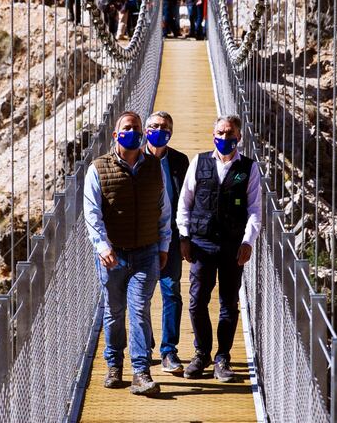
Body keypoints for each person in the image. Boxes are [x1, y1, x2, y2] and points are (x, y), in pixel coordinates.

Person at [84, 111, 172, 396]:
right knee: (113, 312)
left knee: (139, 309)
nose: (133, 132)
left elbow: (164, 210)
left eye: (136, 128)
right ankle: (114, 365)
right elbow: (92, 212)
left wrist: (163, 246)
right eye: (127, 128)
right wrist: (102, 246)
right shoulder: (98, 168)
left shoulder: (155, 167)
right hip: (113, 255)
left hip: (146, 252)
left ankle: (140, 372)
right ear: (115, 135)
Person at [177, 115, 261, 382]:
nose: (225, 138)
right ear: (212, 134)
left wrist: (248, 241)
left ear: (240, 136)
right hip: (201, 243)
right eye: (220, 133)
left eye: (230, 133)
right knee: (196, 301)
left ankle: (222, 358)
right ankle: (201, 354)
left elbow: (256, 209)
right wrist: (184, 236)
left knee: (229, 303)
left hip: (232, 245)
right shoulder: (199, 162)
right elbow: (185, 202)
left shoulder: (249, 168)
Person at [144, 111, 189, 373]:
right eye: (154, 126)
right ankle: (146, 342)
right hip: (142, 238)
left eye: (164, 127)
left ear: (171, 131)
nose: (159, 130)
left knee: (171, 291)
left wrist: (186, 238)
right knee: (143, 295)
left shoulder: (180, 161)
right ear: (146, 129)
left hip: (171, 237)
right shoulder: (135, 158)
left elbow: (187, 200)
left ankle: (169, 351)